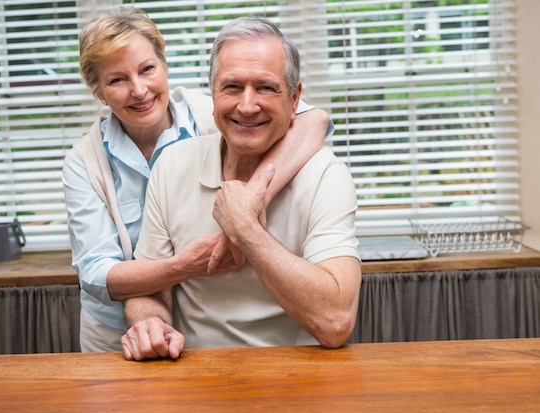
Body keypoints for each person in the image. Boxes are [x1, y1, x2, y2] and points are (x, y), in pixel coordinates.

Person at [62, 7, 332, 352]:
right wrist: (182, 267)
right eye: (117, 80)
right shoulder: (84, 162)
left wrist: (252, 198)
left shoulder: (219, 112)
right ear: (98, 91)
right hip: (119, 334)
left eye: (148, 69)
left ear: (164, 65)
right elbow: (96, 273)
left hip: (203, 330)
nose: (139, 89)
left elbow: (313, 120)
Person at [120, 17, 362, 361]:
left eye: (266, 87)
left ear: (295, 99)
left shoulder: (326, 175)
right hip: (192, 374)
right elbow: (151, 287)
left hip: (297, 378)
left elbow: (336, 322)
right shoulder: (172, 164)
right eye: (232, 87)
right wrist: (151, 324)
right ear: (213, 93)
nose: (247, 106)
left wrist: (245, 228)